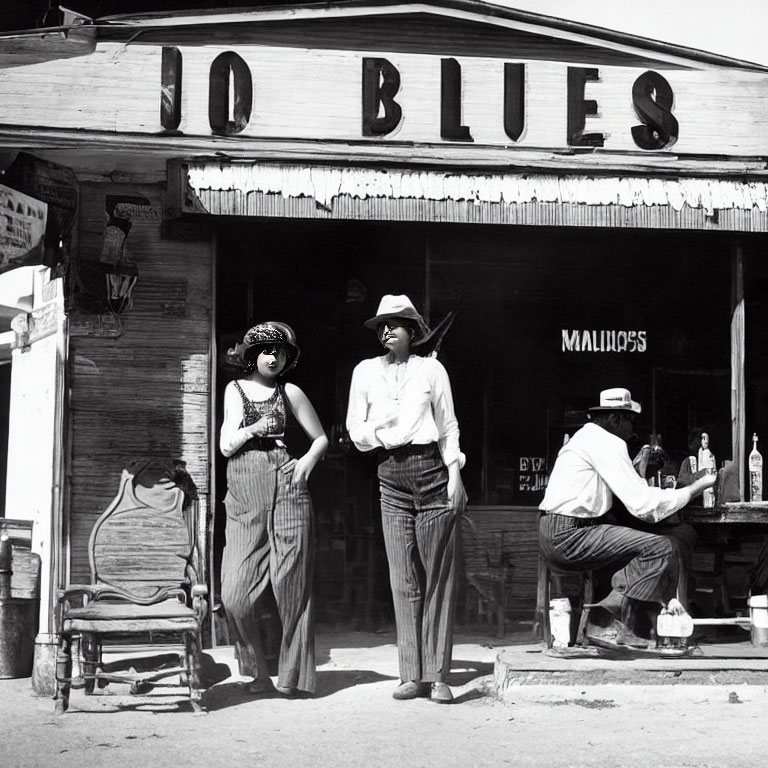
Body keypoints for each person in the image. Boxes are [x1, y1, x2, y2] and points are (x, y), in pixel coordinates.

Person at [346, 294, 465, 703]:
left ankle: (438, 675)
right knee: (404, 579)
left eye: (396, 322)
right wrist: (382, 426)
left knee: (438, 577)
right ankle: (410, 674)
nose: (387, 329)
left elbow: (448, 425)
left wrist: (454, 474)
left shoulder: (432, 369)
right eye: (381, 324)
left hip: (433, 472)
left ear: (412, 330)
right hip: (390, 475)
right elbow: (356, 432)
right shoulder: (363, 372)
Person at [539, 387, 716, 650]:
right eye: (630, 420)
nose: (632, 428)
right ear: (614, 420)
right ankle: (602, 620)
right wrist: (693, 489)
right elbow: (642, 504)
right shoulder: (607, 442)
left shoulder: (585, 437)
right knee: (660, 547)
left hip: (552, 529)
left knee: (641, 548)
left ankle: (632, 625)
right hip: (569, 533)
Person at [220, 321, 328, 696]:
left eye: (280, 352)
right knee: (235, 593)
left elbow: (321, 439)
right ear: (252, 356)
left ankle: (292, 677)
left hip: (288, 486)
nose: (273, 357)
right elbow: (225, 446)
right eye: (266, 351)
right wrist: (254, 428)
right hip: (245, 487)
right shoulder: (235, 391)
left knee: (292, 586)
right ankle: (257, 672)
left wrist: (306, 463)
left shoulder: (291, 392)